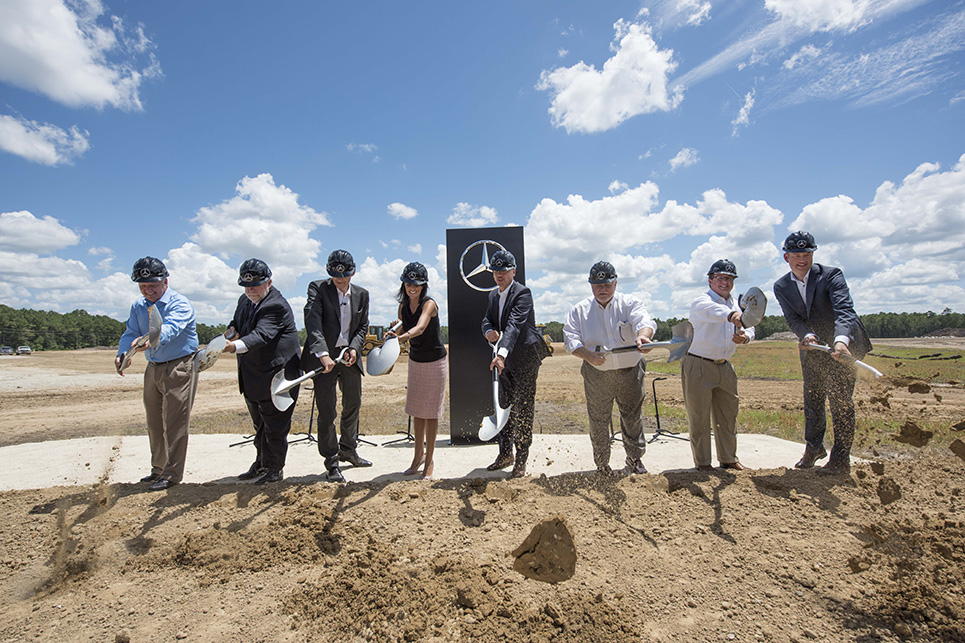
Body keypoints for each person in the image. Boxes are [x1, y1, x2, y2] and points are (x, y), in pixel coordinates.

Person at [773, 231, 872, 475]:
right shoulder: (781, 286)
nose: (802, 260)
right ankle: (814, 447)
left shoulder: (831, 275)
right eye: (796, 255)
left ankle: (840, 459)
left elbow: (844, 310)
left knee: (840, 400)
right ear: (787, 258)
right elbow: (793, 318)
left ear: (813, 255)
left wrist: (841, 340)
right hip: (814, 347)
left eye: (807, 254)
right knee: (813, 398)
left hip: (843, 346)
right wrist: (806, 335)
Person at [563, 261, 655, 475]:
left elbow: (644, 321)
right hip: (597, 374)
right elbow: (570, 340)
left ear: (615, 283)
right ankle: (602, 463)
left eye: (607, 284)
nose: (602, 289)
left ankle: (634, 459)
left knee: (632, 417)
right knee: (598, 419)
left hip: (630, 371)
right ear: (590, 285)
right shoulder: (580, 311)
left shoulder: (630, 303)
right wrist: (588, 356)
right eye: (597, 285)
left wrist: (643, 336)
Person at [115, 256, 198, 491]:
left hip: (179, 366)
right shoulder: (138, 306)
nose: (148, 290)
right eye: (143, 286)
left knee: (175, 423)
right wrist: (124, 353)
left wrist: (150, 340)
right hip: (153, 367)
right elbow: (130, 332)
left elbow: (169, 329)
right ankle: (158, 470)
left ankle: (172, 475)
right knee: (154, 422)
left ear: (165, 281)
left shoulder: (180, 304)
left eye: (152, 285)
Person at [222, 259, 302, 485]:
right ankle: (261, 462)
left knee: (275, 427)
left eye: (256, 285)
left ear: (270, 282)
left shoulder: (275, 305)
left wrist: (232, 347)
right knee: (260, 425)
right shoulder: (245, 300)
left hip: (278, 376)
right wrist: (228, 335)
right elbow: (237, 324)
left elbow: (261, 335)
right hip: (253, 375)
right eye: (246, 286)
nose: (251, 290)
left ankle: (275, 469)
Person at [302, 250, 371, 483]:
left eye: (344, 275)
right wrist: (322, 353)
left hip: (349, 357)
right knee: (327, 410)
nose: (339, 279)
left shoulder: (362, 294)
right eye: (334, 275)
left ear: (353, 271)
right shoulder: (318, 288)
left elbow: (362, 327)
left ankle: (348, 449)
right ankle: (331, 461)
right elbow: (312, 321)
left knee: (353, 403)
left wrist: (354, 348)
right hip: (325, 360)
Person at [481, 250, 549, 478]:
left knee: (523, 408)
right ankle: (504, 453)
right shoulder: (493, 295)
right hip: (505, 361)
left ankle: (521, 459)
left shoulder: (523, 293)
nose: (499, 275)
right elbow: (487, 319)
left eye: (504, 270)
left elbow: (513, 326)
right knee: (503, 405)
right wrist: (488, 330)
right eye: (496, 271)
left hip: (525, 358)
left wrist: (500, 353)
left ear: (513, 271)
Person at [682, 259, 755, 472]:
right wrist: (733, 316)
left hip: (725, 366)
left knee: (728, 415)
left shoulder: (735, 303)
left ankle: (729, 459)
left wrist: (746, 336)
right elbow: (714, 313)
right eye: (721, 278)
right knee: (699, 417)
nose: (725, 282)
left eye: (729, 278)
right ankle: (703, 464)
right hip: (698, 363)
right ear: (710, 280)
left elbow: (749, 326)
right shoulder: (701, 301)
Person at [384, 262, 448, 480]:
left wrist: (400, 338)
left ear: (424, 286)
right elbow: (403, 324)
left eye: (417, 284)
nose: (413, 287)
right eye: (409, 283)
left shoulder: (429, 304)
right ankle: (417, 456)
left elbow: (420, 327)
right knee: (417, 411)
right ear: (404, 283)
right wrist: (394, 330)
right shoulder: (402, 306)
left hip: (435, 362)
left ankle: (429, 462)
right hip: (416, 361)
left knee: (430, 414)